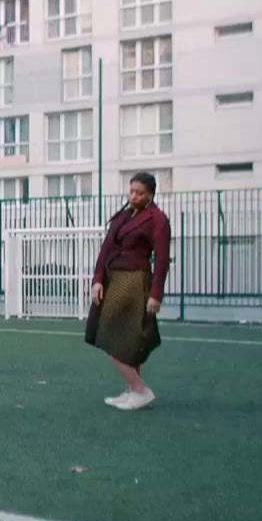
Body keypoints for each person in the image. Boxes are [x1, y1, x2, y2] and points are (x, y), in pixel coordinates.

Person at [85, 172, 171, 410]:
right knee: (125, 338)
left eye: (139, 193)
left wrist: (156, 294)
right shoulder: (124, 216)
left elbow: (162, 259)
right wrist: (98, 279)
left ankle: (141, 389)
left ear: (150, 194)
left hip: (135, 281)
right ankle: (134, 390)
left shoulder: (158, 219)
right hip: (114, 279)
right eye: (131, 191)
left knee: (111, 335)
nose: (133, 196)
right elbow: (106, 249)